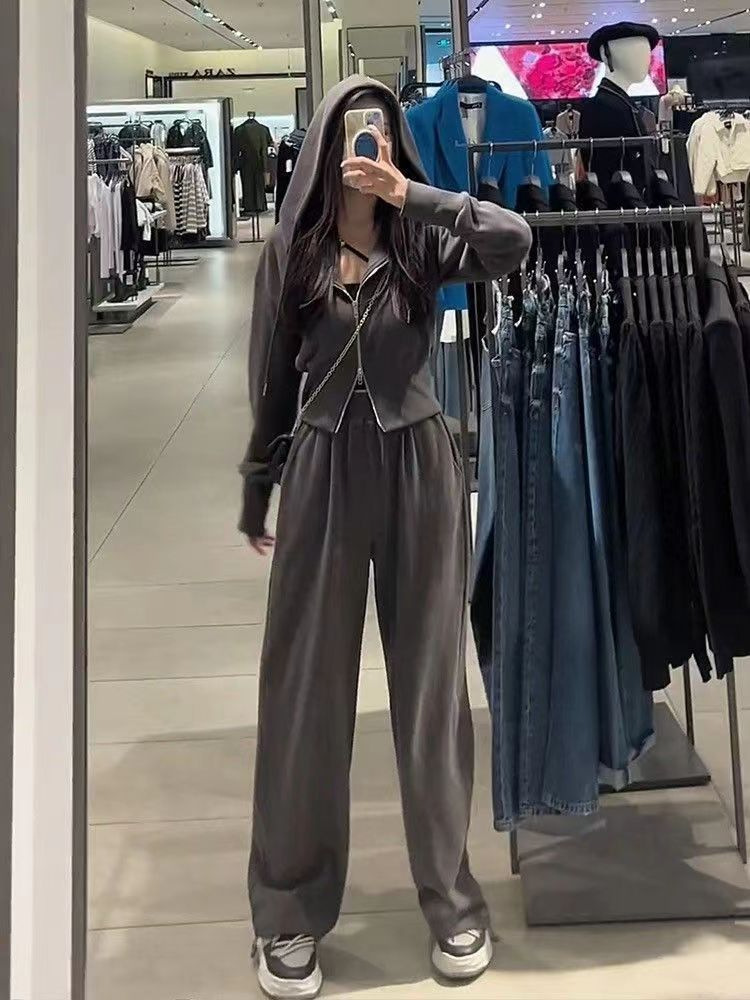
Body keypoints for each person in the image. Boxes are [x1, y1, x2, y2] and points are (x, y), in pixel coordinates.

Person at [239, 75, 531, 1000]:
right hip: (323, 471)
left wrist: (419, 193)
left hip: (420, 469)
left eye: (379, 132)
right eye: (349, 133)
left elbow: (514, 242)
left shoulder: (422, 240)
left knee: (432, 693)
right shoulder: (292, 252)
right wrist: (258, 487)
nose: (363, 147)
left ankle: (451, 899)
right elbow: (270, 381)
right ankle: (288, 910)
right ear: (325, 146)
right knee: (304, 693)